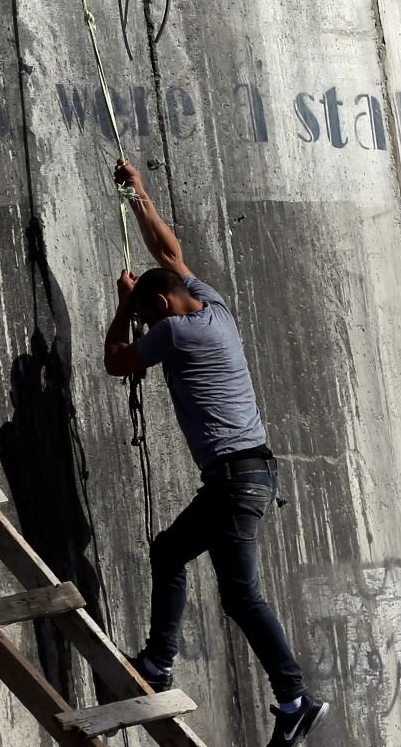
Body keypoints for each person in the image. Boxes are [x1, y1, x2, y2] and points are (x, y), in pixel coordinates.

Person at [102, 159, 327, 747]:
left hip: (233, 479)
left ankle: (280, 693)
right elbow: (168, 253)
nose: (146, 325)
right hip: (250, 473)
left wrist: (124, 306)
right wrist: (139, 194)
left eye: (148, 316)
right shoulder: (214, 308)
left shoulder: (174, 331)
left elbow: (117, 361)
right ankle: (273, 694)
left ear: (162, 308)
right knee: (205, 573)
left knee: (217, 580)